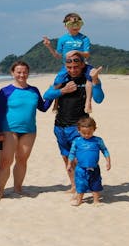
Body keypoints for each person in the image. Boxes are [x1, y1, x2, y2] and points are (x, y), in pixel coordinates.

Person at [43, 50, 105, 194]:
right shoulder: (62, 80)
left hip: (78, 128)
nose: (73, 70)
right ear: (66, 67)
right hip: (60, 126)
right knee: (66, 158)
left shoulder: (88, 80)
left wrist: (96, 80)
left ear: (82, 65)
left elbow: (99, 99)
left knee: (80, 159)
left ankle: (82, 188)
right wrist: (63, 90)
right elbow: (47, 95)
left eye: (76, 67)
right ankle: (74, 186)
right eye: (69, 67)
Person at [0, 61, 51, 200]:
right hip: (9, 130)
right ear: (13, 73)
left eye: (24, 72)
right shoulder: (5, 91)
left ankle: (18, 188)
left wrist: (51, 95)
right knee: (5, 162)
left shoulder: (34, 90)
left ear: (28, 73)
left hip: (29, 130)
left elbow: (43, 108)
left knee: (22, 160)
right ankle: (0, 192)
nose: (22, 75)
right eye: (18, 72)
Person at [43, 13, 93, 113]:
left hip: (81, 65)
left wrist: (76, 52)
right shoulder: (63, 39)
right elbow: (57, 55)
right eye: (72, 25)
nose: (75, 27)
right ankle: (56, 103)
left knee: (90, 78)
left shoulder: (84, 38)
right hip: (67, 66)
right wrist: (49, 46)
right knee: (58, 83)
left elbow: (87, 54)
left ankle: (88, 103)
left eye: (78, 24)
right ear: (66, 25)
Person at [66, 117, 111, 206]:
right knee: (80, 184)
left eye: (89, 133)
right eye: (84, 133)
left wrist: (108, 162)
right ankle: (79, 201)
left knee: (96, 184)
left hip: (94, 168)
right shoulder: (77, 141)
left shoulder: (98, 140)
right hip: (80, 168)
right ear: (78, 130)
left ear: (94, 129)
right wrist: (69, 164)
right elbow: (72, 153)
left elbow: (105, 150)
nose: (87, 135)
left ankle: (96, 201)